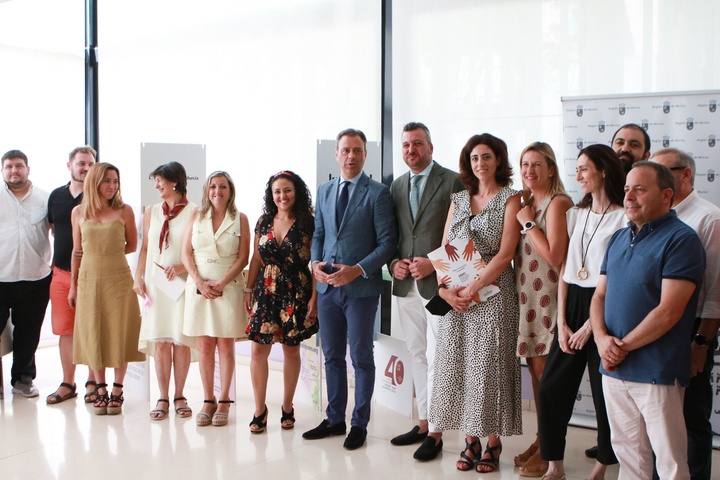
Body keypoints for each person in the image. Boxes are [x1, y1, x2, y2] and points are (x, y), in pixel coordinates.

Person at [591, 161, 705, 480]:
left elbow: (669, 310)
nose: (629, 197)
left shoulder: (682, 240)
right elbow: (599, 297)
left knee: (669, 462)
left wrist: (621, 346)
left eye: (640, 189)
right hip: (613, 367)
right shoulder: (616, 239)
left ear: (666, 195)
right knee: (629, 456)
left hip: (657, 370)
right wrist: (601, 340)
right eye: (627, 189)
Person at [429, 133, 522, 474]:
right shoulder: (459, 198)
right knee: (461, 366)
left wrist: (475, 286)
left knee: (489, 368)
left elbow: (506, 253)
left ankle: (493, 442)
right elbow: (445, 248)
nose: (480, 164)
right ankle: (471, 440)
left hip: (493, 294)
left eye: (486, 157)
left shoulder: (512, 198)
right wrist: (445, 290)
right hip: (457, 296)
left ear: (498, 159)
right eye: (473, 158)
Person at [302, 128, 397, 450]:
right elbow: (319, 234)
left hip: (361, 290)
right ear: (337, 153)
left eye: (357, 150)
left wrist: (356, 271)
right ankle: (334, 420)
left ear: (365, 154)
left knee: (360, 357)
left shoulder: (378, 193)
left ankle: (359, 424)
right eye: (346, 150)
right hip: (327, 288)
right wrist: (314, 263)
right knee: (330, 356)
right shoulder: (325, 190)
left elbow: (387, 244)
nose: (351, 156)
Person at [537, 144, 625, 480]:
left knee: (605, 394)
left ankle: (603, 464)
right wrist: (561, 322)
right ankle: (554, 464)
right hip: (571, 302)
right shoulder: (575, 214)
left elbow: (615, 279)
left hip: (605, 307)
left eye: (584, 168)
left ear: (603, 170)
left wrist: (592, 327)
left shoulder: (623, 217)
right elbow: (564, 270)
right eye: (577, 169)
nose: (578, 176)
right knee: (551, 389)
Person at [387, 122, 463, 460]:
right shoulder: (397, 186)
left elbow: (464, 237)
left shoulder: (453, 181)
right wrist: (392, 264)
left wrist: (434, 262)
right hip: (406, 287)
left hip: (439, 288)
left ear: (431, 147)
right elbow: (392, 235)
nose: (411, 150)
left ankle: (437, 432)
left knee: (438, 355)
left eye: (417, 144)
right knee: (417, 352)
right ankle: (423, 422)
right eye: (405, 145)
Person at [651, 148, 720, 480]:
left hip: (691, 328)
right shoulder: (653, 216)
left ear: (686, 174)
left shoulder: (708, 218)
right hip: (653, 328)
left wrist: (702, 343)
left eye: (663, 171)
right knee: (658, 416)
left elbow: (716, 292)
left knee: (691, 417)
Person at [513, 142, 573, 477]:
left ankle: (553, 453)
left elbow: (554, 255)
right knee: (537, 380)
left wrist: (527, 224)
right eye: (524, 164)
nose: (529, 171)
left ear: (550, 169)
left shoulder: (557, 202)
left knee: (548, 381)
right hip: (527, 299)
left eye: (537, 164)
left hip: (550, 298)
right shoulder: (526, 203)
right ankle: (542, 440)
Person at [244, 170, 318, 433]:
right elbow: (256, 258)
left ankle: (287, 407)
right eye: (277, 191)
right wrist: (248, 289)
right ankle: (259, 410)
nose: (282, 195)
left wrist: (315, 295)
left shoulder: (308, 222)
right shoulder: (264, 221)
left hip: (296, 290)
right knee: (257, 351)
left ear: (296, 192)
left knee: (290, 349)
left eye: (287, 190)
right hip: (265, 290)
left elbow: (317, 260)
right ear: (271, 195)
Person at [69, 162, 144, 415]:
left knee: (118, 330)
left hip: (119, 279)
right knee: (93, 330)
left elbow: (132, 245)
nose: (112, 186)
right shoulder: (78, 212)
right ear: (95, 182)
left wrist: (107, 254)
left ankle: (118, 389)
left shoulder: (125, 210)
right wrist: (72, 286)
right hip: (89, 279)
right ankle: (100, 387)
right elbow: (76, 251)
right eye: (107, 181)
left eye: (115, 181)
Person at [182, 171, 250, 427]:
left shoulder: (240, 219)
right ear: (206, 190)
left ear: (230, 190)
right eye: (213, 186)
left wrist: (221, 283)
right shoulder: (195, 216)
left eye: (222, 186)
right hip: (199, 288)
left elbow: (243, 257)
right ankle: (208, 399)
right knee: (205, 345)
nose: (217, 191)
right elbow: (186, 253)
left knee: (225, 344)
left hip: (228, 287)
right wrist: (200, 282)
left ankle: (224, 399)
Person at [133, 162, 199, 420]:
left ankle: (180, 395)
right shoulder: (150, 211)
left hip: (181, 284)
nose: (157, 186)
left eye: (160, 180)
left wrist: (182, 267)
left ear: (175, 182)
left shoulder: (195, 211)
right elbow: (147, 248)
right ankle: (162, 396)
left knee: (180, 341)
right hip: (155, 284)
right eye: (155, 181)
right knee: (160, 341)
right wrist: (137, 276)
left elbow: (196, 250)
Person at [46, 146, 97, 405]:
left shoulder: (98, 198)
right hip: (61, 274)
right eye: (81, 163)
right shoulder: (56, 196)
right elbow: (54, 229)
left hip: (91, 276)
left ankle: (92, 381)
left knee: (89, 328)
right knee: (65, 331)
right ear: (70, 165)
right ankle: (68, 382)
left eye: (90, 164)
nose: (85, 168)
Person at [0, 149, 52, 398]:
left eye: (19, 166)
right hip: (1, 277)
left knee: (28, 333)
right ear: (2, 170)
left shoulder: (44, 198)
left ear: (28, 169)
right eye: (9, 166)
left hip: (35, 277)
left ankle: (23, 379)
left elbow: (57, 231)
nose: (14, 170)